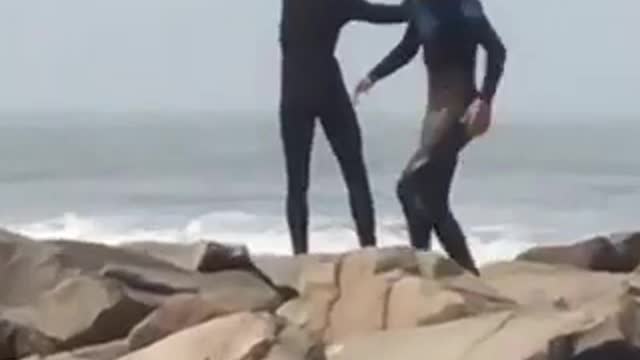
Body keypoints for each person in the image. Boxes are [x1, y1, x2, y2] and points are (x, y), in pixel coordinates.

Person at [353, 0, 506, 275]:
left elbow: (496, 50)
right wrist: (373, 76)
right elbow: (408, 48)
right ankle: (441, 268)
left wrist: (485, 99)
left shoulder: (465, 5)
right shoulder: (418, 5)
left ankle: (443, 267)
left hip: (461, 109)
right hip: (435, 111)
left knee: (410, 186)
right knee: (433, 198)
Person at [278, 0, 409, 254]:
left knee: (297, 183)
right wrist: (421, 7)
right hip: (328, 89)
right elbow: (388, 14)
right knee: (355, 174)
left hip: (293, 92)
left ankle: (300, 254)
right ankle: (368, 248)